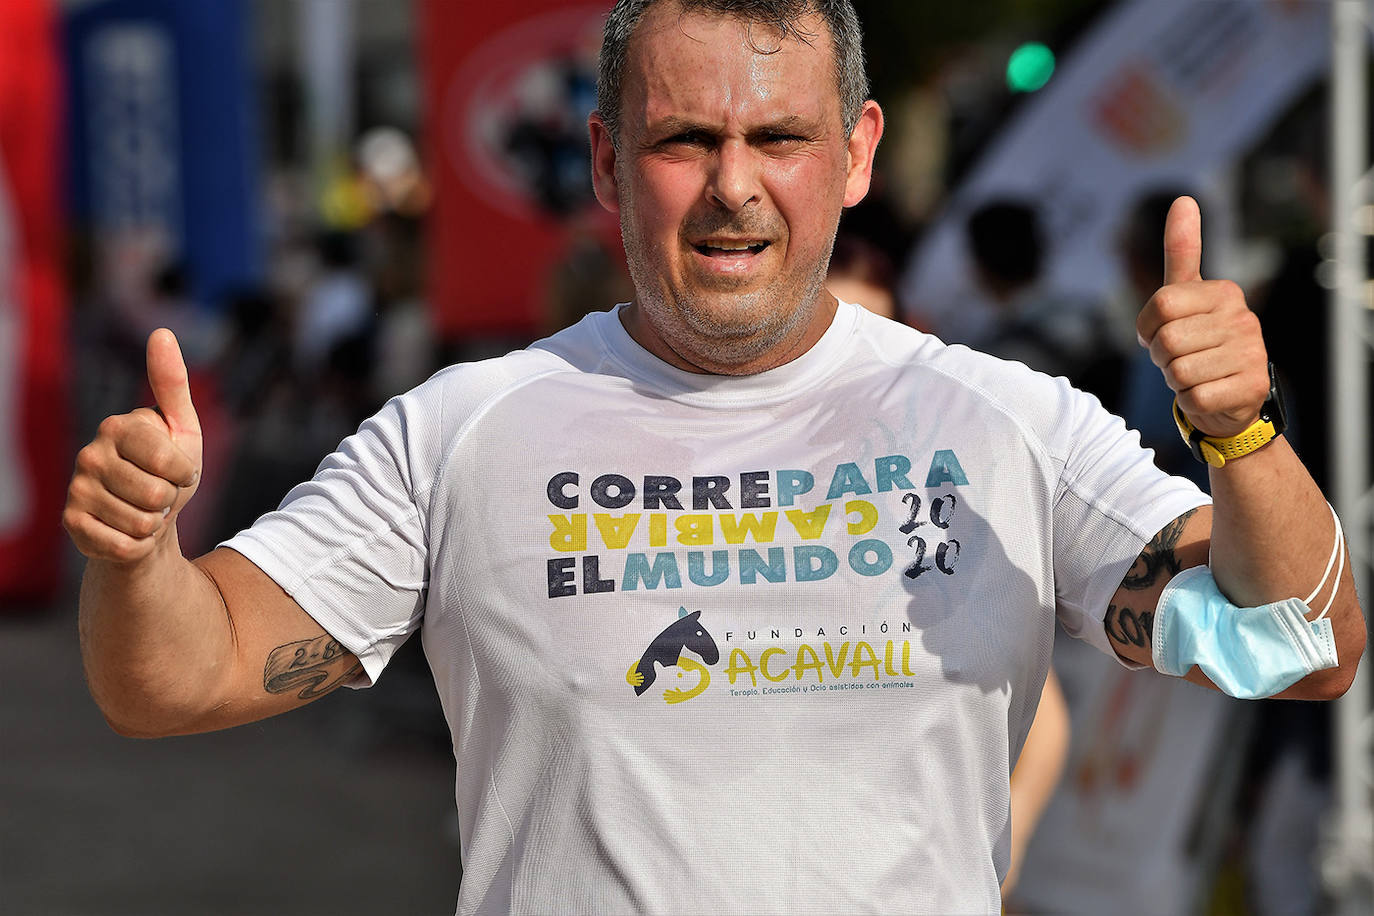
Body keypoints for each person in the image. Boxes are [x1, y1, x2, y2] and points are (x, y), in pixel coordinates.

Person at [63, 1, 1364, 912]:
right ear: (608, 162)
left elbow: (1299, 647)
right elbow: (176, 679)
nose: (734, 187)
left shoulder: (1006, 425)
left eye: (777, 140)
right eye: (686, 141)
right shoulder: (464, 432)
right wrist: (137, 557)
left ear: (853, 154)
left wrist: (1241, 437)